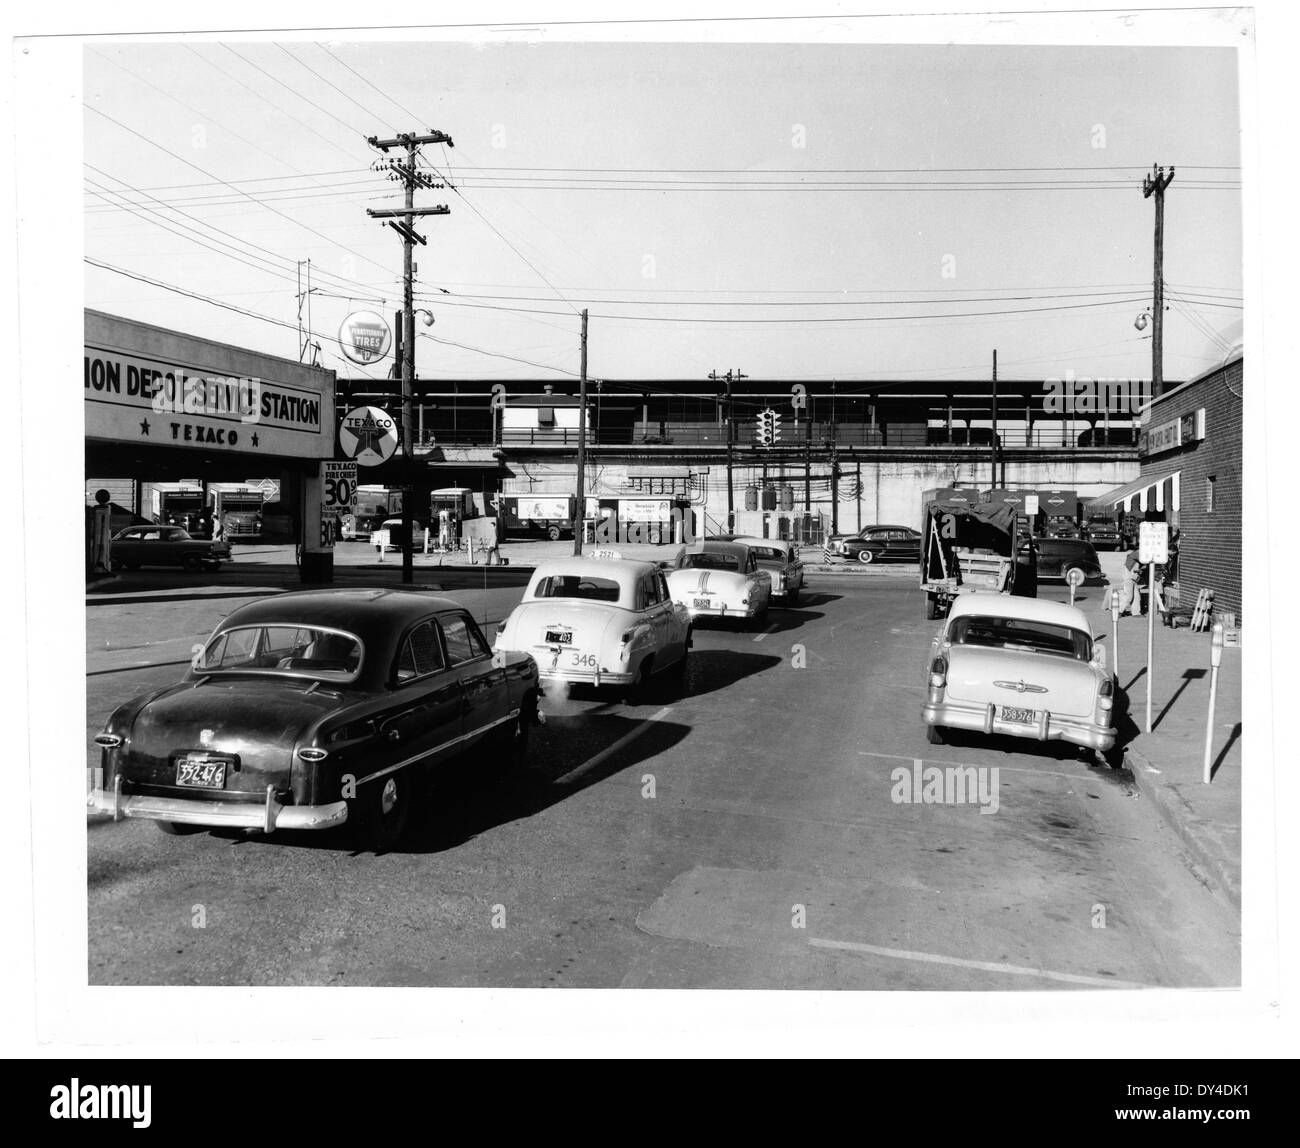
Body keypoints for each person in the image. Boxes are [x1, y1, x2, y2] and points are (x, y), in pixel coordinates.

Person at [1117, 546, 1144, 616]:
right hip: (1128, 578)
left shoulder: (1135, 555)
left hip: (1134, 579)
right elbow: (1142, 560)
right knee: (1129, 596)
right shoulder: (1135, 554)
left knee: (1137, 597)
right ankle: (1118, 611)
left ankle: (1136, 613)